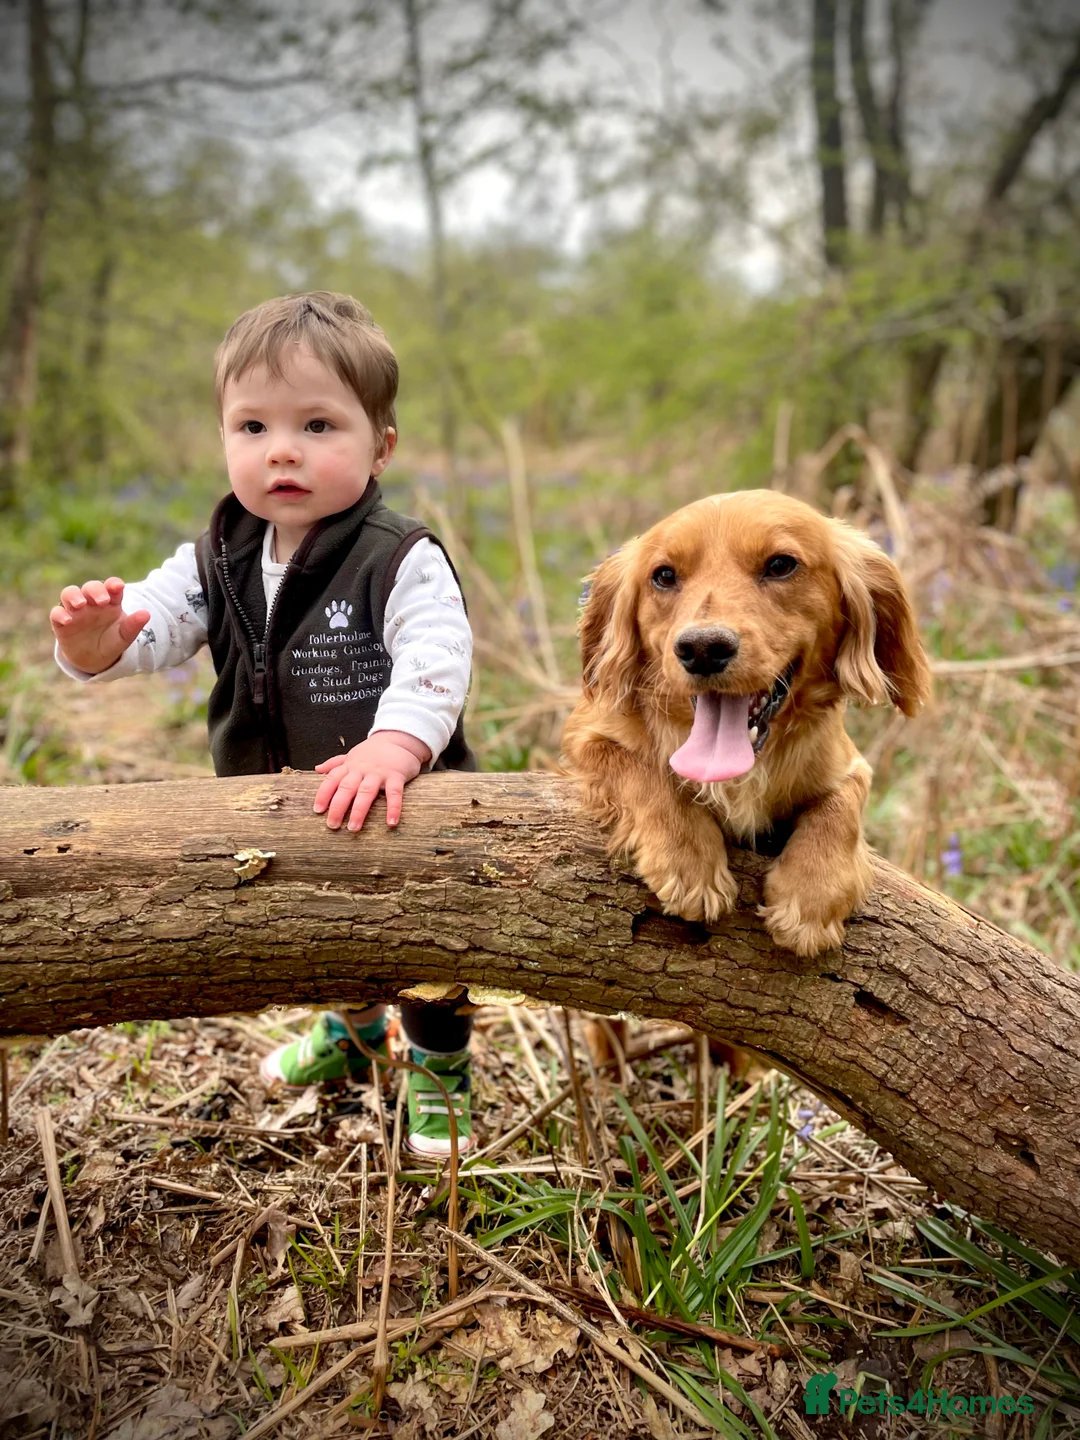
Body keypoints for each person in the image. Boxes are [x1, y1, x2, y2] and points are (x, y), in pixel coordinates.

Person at [50, 291, 477, 1156]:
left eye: (318, 425)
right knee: (324, 926)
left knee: (427, 935)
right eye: (252, 428)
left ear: (380, 446)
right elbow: (159, 621)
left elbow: (439, 654)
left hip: (401, 799)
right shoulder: (219, 551)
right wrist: (99, 643)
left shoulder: (396, 555)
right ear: (224, 439)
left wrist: (396, 745)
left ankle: (438, 1069)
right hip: (280, 802)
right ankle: (356, 1032)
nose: (281, 450)